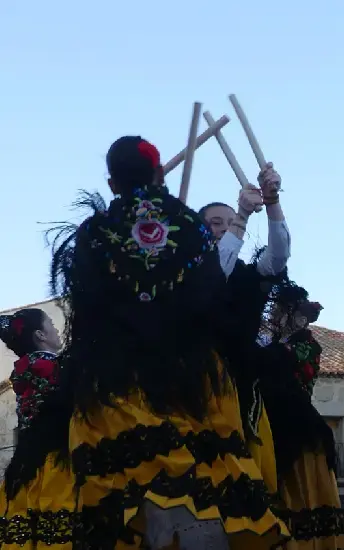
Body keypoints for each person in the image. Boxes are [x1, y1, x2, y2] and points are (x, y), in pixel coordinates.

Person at [49, 136, 288, 548]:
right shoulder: (191, 226)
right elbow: (211, 294)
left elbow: (86, 308)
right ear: (159, 173)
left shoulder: (97, 230)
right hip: (191, 380)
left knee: (120, 490)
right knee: (201, 480)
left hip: (117, 381)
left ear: (111, 182)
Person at [199, 167, 291, 500]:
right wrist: (240, 216)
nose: (224, 229)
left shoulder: (248, 273)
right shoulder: (193, 272)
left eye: (228, 223)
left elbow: (278, 257)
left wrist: (272, 202)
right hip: (204, 383)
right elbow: (215, 275)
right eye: (215, 224)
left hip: (245, 384)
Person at [257, 278, 344, 549]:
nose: (276, 316)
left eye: (282, 311)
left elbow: (278, 365)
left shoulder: (304, 346)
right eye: (275, 311)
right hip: (267, 422)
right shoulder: (269, 343)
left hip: (296, 428)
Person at [0, 308, 74, 547]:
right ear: (41, 335)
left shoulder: (23, 371)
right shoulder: (56, 367)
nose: (56, 329)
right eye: (51, 323)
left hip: (27, 464)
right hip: (62, 458)